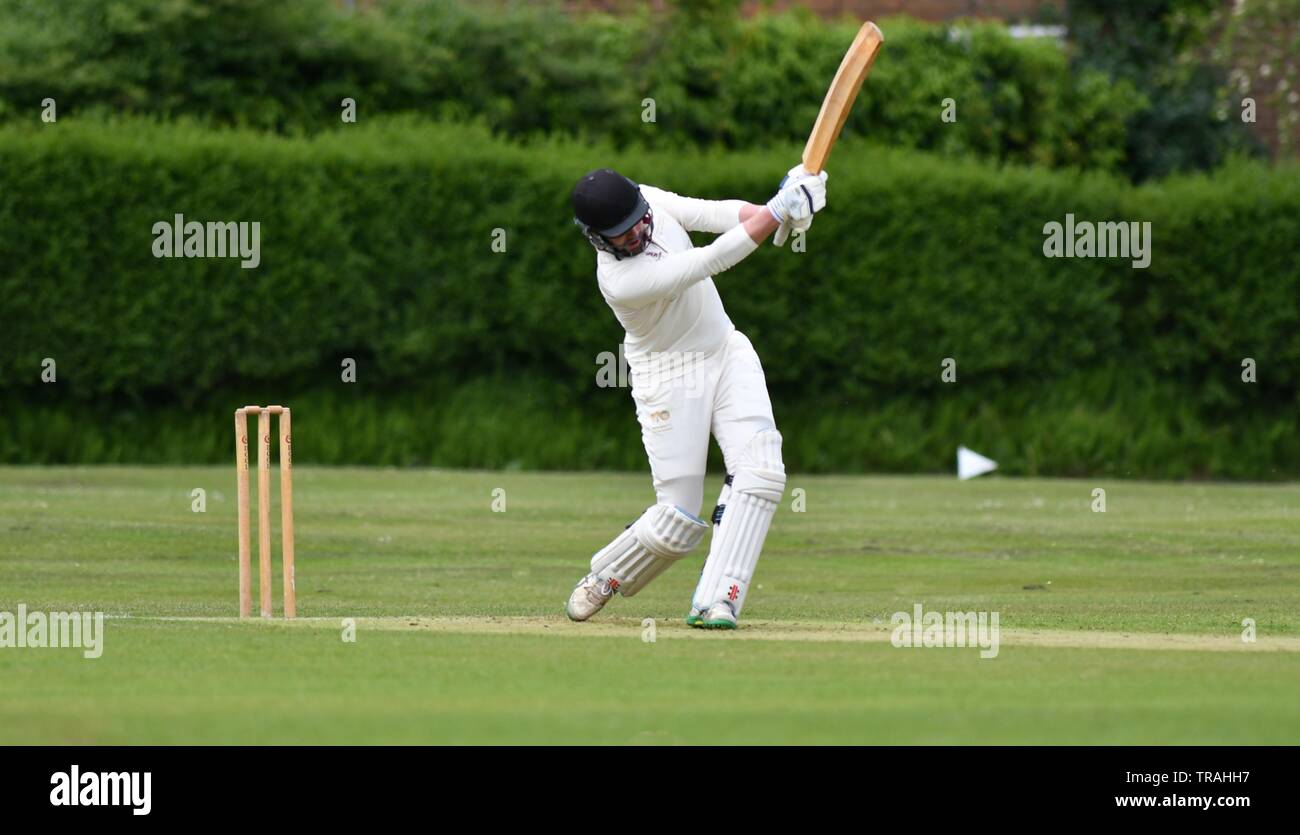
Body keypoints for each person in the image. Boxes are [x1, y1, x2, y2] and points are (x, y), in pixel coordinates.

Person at [565, 164, 828, 629]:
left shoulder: (645, 199)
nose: (636, 235)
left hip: (724, 348)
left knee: (762, 469)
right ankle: (605, 576)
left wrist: (784, 206)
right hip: (669, 376)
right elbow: (708, 260)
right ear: (597, 239)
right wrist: (774, 212)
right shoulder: (619, 281)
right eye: (621, 236)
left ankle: (718, 600)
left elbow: (711, 214)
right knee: (677, 524)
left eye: (637, 223)